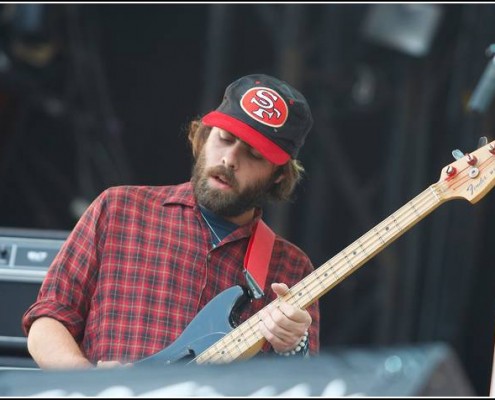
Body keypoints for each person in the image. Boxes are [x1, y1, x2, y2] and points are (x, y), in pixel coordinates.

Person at [22, 73, 320, 369]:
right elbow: (48, 320)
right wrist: (91, 385)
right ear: (203, 136)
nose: (229, 159)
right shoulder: (119, 209)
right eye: (225, 139)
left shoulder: (291, 267)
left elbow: (301, 385)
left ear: (279, 175)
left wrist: (294, 347)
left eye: (253, 155)